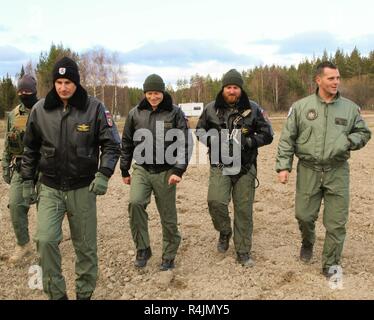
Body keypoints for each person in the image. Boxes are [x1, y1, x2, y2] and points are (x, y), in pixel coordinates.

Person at [21, 57, 121, 300]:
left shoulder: (95, 108)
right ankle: (57, 295)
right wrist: (26, 181)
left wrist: (104, 173)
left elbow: (111, 145)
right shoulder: (40, 110)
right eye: (58, 81)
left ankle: (84, 294)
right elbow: (30, 149)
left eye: (67, 81)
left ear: (76, 82)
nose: (63, 87)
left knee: (85, 248)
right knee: (45, 241)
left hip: (82, 189)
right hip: (50, 187)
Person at [275, 61, 371, 278]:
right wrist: (283, 166)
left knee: (336, 223)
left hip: (337, 171)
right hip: (309, 169)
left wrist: (348, 141)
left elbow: (364, 133)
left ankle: (330, 264)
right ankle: (307, 241)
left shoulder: (349, 108)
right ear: (318, 80)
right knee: (304, 215)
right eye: (331, 78)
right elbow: (287, 139)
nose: (336, 82)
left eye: (338, 78)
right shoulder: (301, 107)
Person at [196, 69, 273, 267]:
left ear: (240, 89)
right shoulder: (210, 109)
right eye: (229, 87)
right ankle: (224, 231)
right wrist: (211, 140)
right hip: (219, 165)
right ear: (223, 89)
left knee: (244, 211)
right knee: (215, 202)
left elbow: (268, 134)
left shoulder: (254, 109)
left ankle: (243, 251)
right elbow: (199, 130)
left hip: (245, 167)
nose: (232, 91)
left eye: (236, 87)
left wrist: (249, 141)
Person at [121, 74, 190, 271]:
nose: (153, 97)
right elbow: (126, 142)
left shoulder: (175, 113)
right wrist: (124, 169)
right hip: (141, 169)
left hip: (166, 171)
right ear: (145, 93)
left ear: (163, 92)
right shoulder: (135, 113)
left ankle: (169, 255)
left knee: (168, 216)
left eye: (157, 93)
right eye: (150, 93)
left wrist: (178, 169)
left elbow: (185, 143)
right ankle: (143, 248)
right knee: (135, 203)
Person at [2, 74, 39, 263]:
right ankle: (23, 244)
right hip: (20, 167)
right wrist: (4, 165)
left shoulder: (45, 110)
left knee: (47, 207)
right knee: (16, 205)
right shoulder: (13, 114)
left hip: (43, 169)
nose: (24, 94)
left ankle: (47, 243)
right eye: (21, 91)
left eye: (28, 91)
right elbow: (9, 142)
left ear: (35, 91)